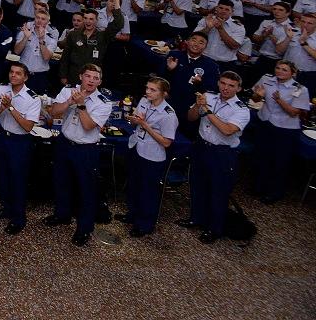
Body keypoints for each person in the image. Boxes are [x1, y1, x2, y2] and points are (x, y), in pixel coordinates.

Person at [44, 63, 113, 246]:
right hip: (64, 143)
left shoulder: (103, 102)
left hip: (86, 150)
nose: (91, 80)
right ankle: (62, 215)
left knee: (86, 190)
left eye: (95, 78)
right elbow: (53, 112)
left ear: (100, 81)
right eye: (88, 76)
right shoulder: (68, 91)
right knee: (61, 181)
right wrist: (69, 102)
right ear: (81, 76)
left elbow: (89, 126)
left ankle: (84, 229)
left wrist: (81, 106)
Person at [179, 71, 251, 243]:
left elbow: (227, 130)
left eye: (231, 85)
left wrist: (207, 111)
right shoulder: (208, 97)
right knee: (197, 185)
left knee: (218, 191)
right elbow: (190, 117)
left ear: (238, 88)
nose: (226, 88)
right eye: (223, 83)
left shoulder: (241, 110)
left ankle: (214, 228)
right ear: (218, 83)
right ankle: (196, 218)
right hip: (202, 146)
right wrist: (198, 106)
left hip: (222, 153)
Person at [0, 62, 42, 235]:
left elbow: (27, 126)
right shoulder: (2, 88)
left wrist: (10, 107)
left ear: (25, 77)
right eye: (11, 72)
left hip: (20, 141)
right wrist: (2, 107)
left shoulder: (32, 98)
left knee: (18, 180)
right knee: (2, 176)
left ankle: (18, 218)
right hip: (3, 137)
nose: (13, 75)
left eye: (18, 73)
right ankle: (7, 208)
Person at [121, 77, 177, 238]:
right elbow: (136, 122)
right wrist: (134, 120)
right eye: (147, 88)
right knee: (134, 185)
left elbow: (166, 142)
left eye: (153, 90)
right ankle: (132, 214)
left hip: (152, 155)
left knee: (148, 190)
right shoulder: (144, 101)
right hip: (137, 146)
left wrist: (146, 125)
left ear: (164, 93)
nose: (147, 92)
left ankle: (145, 224)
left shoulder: (168, 115)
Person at [251, 60, 310, 204]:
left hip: (285, 129)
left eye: (284, 70)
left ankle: (274, 193)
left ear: (293, 73)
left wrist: (279, 100)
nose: (280, 71)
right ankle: (259, 187)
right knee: (262, 157)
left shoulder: (300, 89)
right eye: (278, 68)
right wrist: (258, 95)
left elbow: (294, 113)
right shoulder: (267, 79)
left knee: (279, 162)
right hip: (266, 122)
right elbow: (255, 98)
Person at [163, 32, 221, 139]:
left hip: (191, 110)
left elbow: (213, 90)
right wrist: (169, 70)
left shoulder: (211, 66)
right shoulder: (174, 56)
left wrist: (200, 84)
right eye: (194, 40)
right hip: (168, 104)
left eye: (201, 42)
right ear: (187, 42)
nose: (196, 44)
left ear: (205, 47)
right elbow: (159, 79)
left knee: (184, 139)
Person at [57, 0, 123, 85]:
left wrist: (116, 2)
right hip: (74, 76)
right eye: (85, 18)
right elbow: (65, 57)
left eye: (91, 19)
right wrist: (63, 76)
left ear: (97, 21)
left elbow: (118, 23)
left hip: (92, 78)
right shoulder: (73, 34)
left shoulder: (103, 36)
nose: (88, 21)